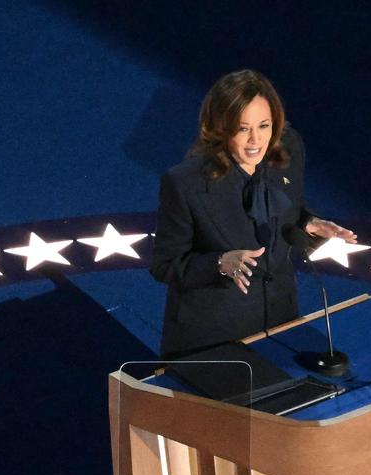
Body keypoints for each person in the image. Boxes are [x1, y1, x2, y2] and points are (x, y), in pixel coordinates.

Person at [150, 69, 356, 358]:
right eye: (242, 128)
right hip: (214, 336)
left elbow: (285, 206)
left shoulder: (287, 149)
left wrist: (309, 223)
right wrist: (220, 262)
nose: (255, 140)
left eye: (264, 126)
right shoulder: (186, 183)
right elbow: (164, 265)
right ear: (221, 128)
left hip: (280, 321)